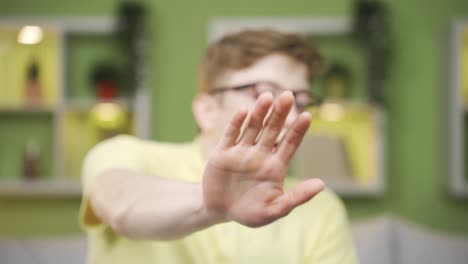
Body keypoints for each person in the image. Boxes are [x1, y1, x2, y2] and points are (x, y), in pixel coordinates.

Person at [80, 29, 358, 264]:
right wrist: (210, 203)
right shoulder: (125, 153)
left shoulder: (319, 205)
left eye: (301, 100)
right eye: (265, 93)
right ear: (207, 110)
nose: (293, 116)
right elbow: (120, 202)